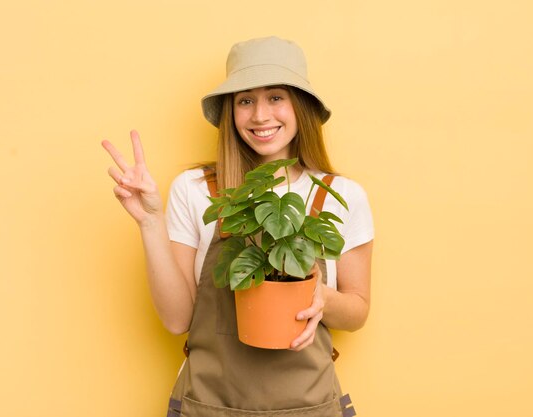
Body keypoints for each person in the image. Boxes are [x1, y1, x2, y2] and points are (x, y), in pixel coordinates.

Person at [102, 36, 374, 417]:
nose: (260, 115)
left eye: (276, 97)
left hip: (309, 407)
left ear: (302, 106)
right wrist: (150, 221)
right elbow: (177, 319)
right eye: (245, 100)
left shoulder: (339, 195)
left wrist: (322, 299)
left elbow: (358, 311)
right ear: (231, 111)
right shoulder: (197, 190)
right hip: (210, 405)